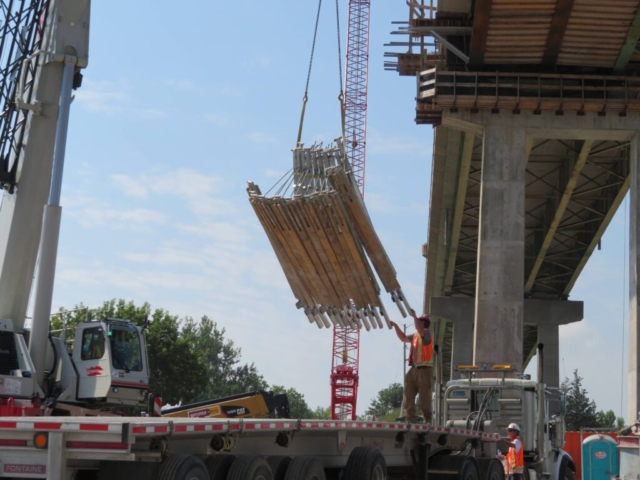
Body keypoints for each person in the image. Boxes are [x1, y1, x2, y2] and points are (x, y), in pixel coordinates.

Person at [389, 308, 433, 423]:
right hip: (414, 369)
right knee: (408, 393)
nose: (416, 322)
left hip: (424, 370)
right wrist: (395, 326)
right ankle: (410, 418)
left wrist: (414, 316)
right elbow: (403, 338)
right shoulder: (415, 336)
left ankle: (427, 420)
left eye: (418, 321)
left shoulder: (426, 333)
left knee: (424, 397)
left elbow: (420, 329)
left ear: (423, 323)